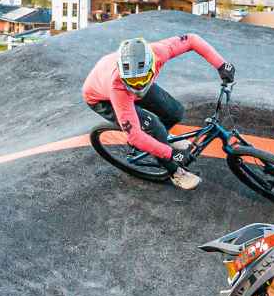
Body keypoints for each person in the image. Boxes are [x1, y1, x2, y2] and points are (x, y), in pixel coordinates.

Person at [83, 34, 236, 190]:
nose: (138, 87)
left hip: (122, 80)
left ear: (151, 65)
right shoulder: (118, 86)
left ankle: (159, 138)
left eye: (142, 80)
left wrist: (221, 65)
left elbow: (191, 39)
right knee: (154, 128)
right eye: (134, 82)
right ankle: (175, 172)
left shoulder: (158, 53)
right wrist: (171, 154)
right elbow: (134, 136)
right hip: (102, 98)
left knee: (175, 112)